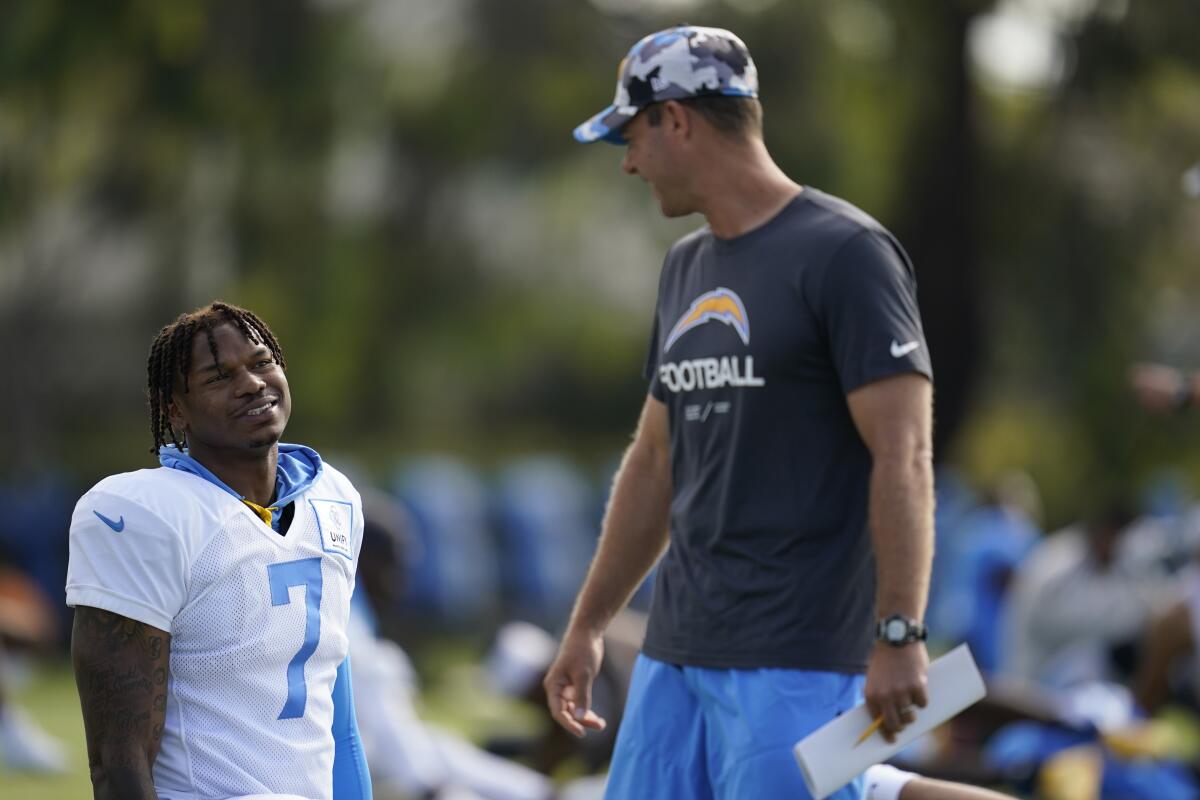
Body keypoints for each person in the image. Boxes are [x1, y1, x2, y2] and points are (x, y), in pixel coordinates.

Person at [546, 25, 936, 799]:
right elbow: (654, 459)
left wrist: (899, 634)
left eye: (632, 136)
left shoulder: (847, 253)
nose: (628, 161)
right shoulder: (685, 267)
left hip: (798, 662)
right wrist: (589, 625)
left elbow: (906, 454)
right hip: (677, 653)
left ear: (676, 120)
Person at [66, 302, 371, 800]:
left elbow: (340, 723)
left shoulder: (333, 500)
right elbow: (117, 757)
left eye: (260, 362)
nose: (251, 384)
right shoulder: (143, 513)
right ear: (174, 408)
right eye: (217, 377)